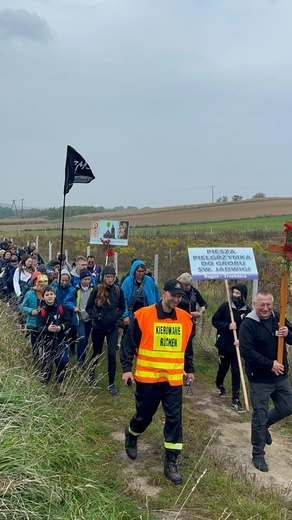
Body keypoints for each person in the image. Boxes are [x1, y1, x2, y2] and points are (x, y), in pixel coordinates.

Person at [120, 279, 194, 485]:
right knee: (144, 416)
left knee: (174, 419)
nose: (176, 300)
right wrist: (127, 369)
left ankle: (171, 462)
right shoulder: (144, 315)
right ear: (163, 293)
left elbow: (187, 348)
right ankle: (132, 433)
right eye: (173, 295)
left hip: (173, 380)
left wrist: (190, 369)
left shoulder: (185, 319)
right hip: (148, 379)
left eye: (180, 297)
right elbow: (127, 345)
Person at [239, 290, 292, 472]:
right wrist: (270, 365)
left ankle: (266, 425)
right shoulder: (248, 323)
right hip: (260, 378)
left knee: (287, 406)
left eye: (268, 304)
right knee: (259, 414)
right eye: (261, 304)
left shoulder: (279, 317)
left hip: (281, 376)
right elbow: (246, 351)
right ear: (254, 304)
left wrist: (288, 333)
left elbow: (291, 339)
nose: (265, 308)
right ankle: (258, 454)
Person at [86, 265, 126, 394]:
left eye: (112, 277)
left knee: (112, 354)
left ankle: (111, 384)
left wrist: (116, 316)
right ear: (103, 277)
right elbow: (88, 307)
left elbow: (122, 307)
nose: (110, 279)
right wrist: (96, 316)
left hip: (112, 327)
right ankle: (91, 376)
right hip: (98, 327)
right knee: (97, 352)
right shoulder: (97, 290)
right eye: (107, 277)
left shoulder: (118, 291)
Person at [212, 284, 251, 412]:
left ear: (243, 295)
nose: (235, 295)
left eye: (238, 293)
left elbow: (250, 329)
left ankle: (235, 398)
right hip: (224, 344)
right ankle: (219, 383)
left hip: (238, 347)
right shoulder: (225, 307)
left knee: (236, 371)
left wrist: (243, 340)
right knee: (223, 368)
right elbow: (215, 321)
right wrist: (228, 326)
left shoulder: (248, 311)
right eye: (234, 292)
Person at [37, 285, 71, 395]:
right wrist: (48, 329)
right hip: (47, 341)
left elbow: (68, 321)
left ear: (55, 295)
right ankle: (44, 386)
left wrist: (60, 327)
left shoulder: (61, 307)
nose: (50, 296)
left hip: (61, 339)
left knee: (63, 361)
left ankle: (59, 383)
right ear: (43, 297)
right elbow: (38, 327)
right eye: (47, 295)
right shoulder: (41, 311)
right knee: (47, 364)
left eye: (51, 294)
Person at [63, 269, 94, 370]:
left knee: (85, 341)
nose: (87, 281)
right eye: (85, 279)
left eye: (89, 279)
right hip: (79, 318)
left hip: (89, 318)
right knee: (82, 338)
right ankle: (79, 362)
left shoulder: (93, 289)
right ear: (81, 280)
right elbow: (66, 301)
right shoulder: (75, 290)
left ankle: (82, 360)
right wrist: (73, 307)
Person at [121, 259, 160, 325]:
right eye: (139, 271)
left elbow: (155, 294)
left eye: (143, 271)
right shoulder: (128, 281)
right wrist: (125, 315)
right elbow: (122, 299)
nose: (141, 273)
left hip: (146, 312)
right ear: (134, 271)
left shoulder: (149, 280)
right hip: (132, 313)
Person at [22, 272, 48, 365]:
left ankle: (45, 362)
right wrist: (31, 310)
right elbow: (23, 306)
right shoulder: (29, 293)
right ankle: (36, 361)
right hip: (32, 323)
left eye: (42, 283)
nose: (40, 286)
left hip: (44, 323)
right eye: (38, 282)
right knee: (34, 344)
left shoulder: (47, 294)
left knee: (44, 343)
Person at [177, 272, 207, 341]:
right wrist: (190, 314)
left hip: (191, 323)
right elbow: (174, 310)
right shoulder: (176, 293)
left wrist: (203, 307)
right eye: (185, 285)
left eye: (189, 285)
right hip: (179, 322)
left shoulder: (194, 291)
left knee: (189, 343)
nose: (187, 287)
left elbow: (203, 302)